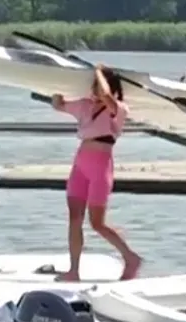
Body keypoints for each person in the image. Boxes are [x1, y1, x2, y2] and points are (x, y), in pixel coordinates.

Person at [50, 64, 142, 281]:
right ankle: (73, 270)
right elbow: (58, 104)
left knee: (97, 222)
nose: (95, 90)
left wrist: (98, 71)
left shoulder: (118, 109)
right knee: (74, 217)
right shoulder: (85, 106)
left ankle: (130, 257)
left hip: (100, 165)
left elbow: (107, 96)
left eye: (97, 84)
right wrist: (55, 84)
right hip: (80, 164)